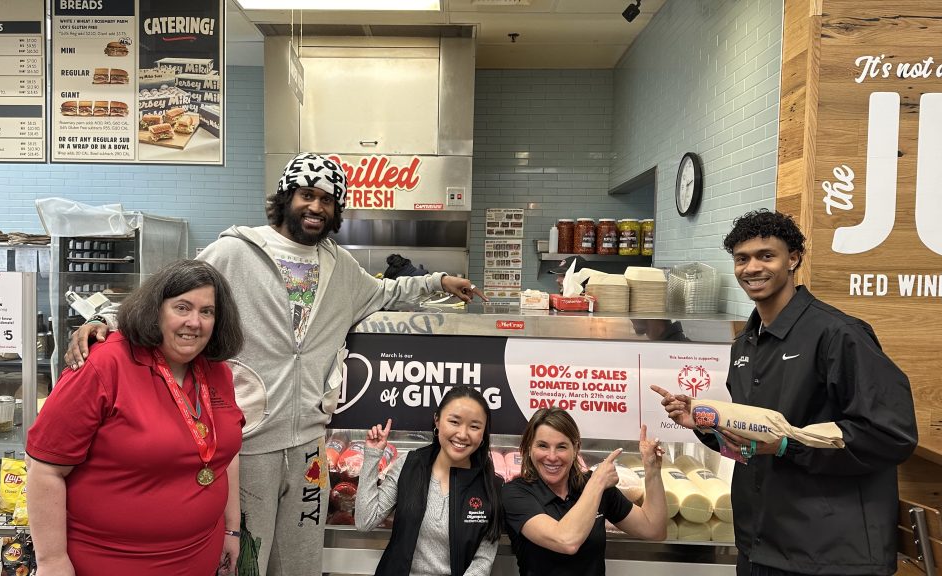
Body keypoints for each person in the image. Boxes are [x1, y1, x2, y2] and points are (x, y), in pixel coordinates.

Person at [63, 152, 486, 576]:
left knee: (301, 562)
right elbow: (169, 297)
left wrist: (440, 282)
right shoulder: (234, 251)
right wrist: (105, 321)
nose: (317, 207)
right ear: (286, 197)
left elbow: (387, 293)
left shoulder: (340, 266)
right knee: (244, 559)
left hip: (309, 447)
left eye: (327, 200)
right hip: (244, 442)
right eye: (307, 195)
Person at [651, 209, 918, 576]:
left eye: (766, 256)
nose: (752, 268)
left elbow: (891, 435)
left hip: (831, 554)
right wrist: (702, 424)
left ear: (793, 259)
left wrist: (786, 445)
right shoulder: (744, 344)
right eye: (742, 259)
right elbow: (749, 445)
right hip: (760, 546)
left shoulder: (838, 335)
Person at [27, 260, 245, 576]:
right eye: (182, 308)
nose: (194, 322)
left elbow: (225, 454)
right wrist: (52, 561)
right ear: (156, 310)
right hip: (112, 560)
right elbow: (45, 469)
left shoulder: (217, 371)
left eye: (207, 312)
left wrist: (231, 529)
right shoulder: (104, 364)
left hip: (199, 556)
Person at [355, 386, 503, 576]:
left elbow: (483, 560)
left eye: (474, 426)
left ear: (483, 432)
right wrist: (373, 455)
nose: (463, 434)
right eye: (454, 422)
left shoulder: (491, 486)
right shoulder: (409, 465)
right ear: (437, 421)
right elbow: (365, 521)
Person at [502, 408, 666, 576]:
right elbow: (566, 541)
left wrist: (652, 469)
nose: (551, 456)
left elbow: (654, 529)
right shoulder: (516, 493)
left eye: (561, 447)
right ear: (529, 448)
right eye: (542, 446)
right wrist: (597, 483)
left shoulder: (595, 486)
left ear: (576, 448)